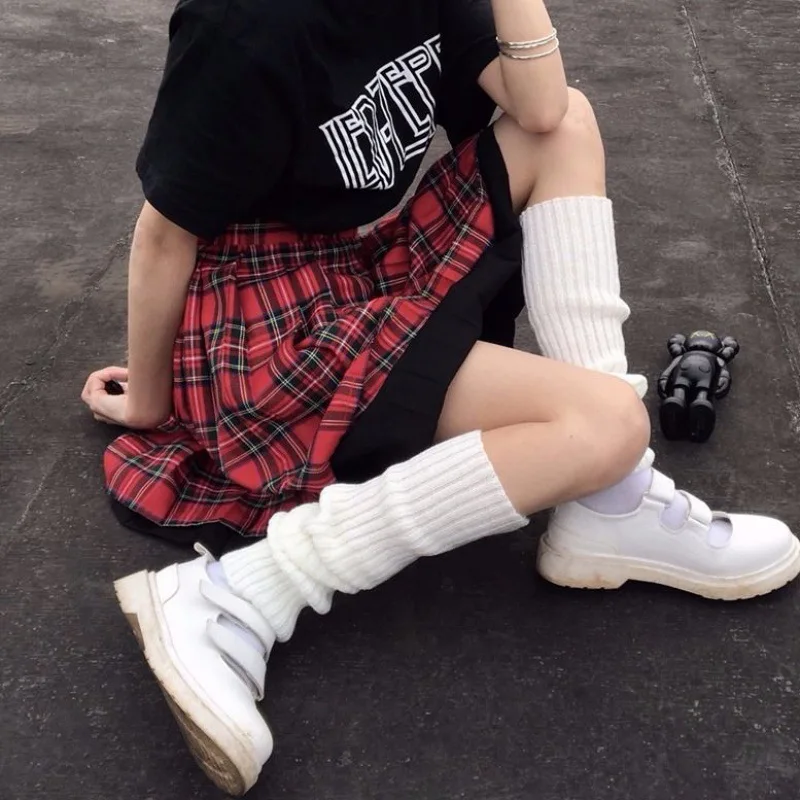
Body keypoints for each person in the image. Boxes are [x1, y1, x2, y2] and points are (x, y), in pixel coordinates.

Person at [81, 0, 800, 794]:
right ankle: (236, 594)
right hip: (260, 319)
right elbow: (165, 232)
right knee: (606, 421)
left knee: (565, 125)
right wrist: (150, 404)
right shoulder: (247, 24)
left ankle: (607, 500)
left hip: (353, 268)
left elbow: (540, 110)